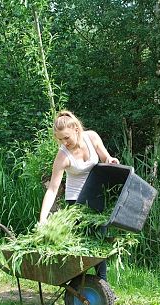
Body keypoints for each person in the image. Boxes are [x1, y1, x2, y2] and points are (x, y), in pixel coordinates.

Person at [39, 110, 119, 281]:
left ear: (76, 128)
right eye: (60, 139)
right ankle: (78, 284)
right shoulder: (62, 156)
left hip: (97, 196)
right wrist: (43, 218)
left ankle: (102, 284)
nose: (63, 142)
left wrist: (111, 160)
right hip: (76, 202)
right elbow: (52, 189)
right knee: (81, 244)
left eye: (66, 137)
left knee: (100, 240)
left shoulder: (92, 137)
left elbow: (105, 157)